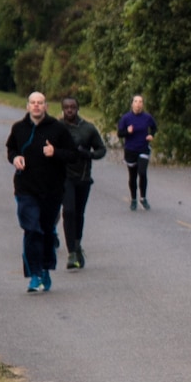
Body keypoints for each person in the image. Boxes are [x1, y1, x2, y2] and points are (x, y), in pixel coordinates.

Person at [4, 92, 81, 293]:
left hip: (52, 189)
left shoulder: (58, 128)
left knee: (46, 231)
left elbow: (73, 155)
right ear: (28, 106)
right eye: (33, 103)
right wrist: (15, 158)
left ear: (45, 106)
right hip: (25, 188)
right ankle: (34, 275)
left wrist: (55, 152)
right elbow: (10, 149)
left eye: (40, 103)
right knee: (31, 229)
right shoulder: (19, 128)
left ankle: (46, 269)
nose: (36, 106)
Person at [58, 97, 108, 270]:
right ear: (62, 109)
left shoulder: (88, 129)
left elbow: (101, 150)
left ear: (78, 108)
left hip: (83, 177)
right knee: (68, 211)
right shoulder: (57, 128)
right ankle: (71, 253)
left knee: (79, 213)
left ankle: (77, 245)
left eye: (73, 107)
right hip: (64, 177)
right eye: (66, 107)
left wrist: (89, 155)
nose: (70, 110)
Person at [117, 94, 156, 210]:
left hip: (143, 148)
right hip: (130, 150)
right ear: (132, 104)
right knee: (132, 176)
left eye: (140, 102)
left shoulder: (147, 117)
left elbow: (154, 128)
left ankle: (143, 198)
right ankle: (133, 199)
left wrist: (151, 135)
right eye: (136, 102)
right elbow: (120, 133)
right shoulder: (126, 118)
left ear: (143, 105)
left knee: (142, 172)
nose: (138, 104)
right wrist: (127, 132)